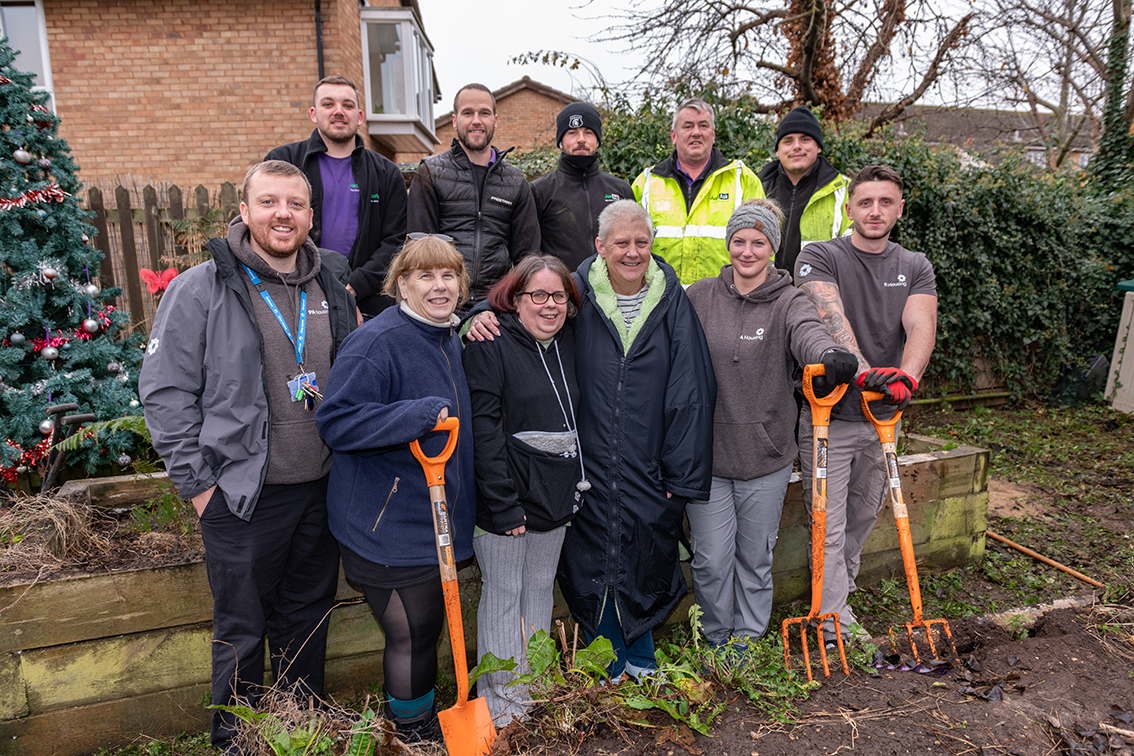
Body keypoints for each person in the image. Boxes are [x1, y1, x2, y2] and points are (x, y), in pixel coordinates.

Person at [139, 160, 357, 754]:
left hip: (319, 487)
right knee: (241, 629)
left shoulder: (330, 287)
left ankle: (297, 732)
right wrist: (198, 485)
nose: (282, 214)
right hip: (240, 494)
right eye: (269, 203)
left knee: (308, 619)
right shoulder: (201, 287)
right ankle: (237, 742)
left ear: (311, 216)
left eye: (295, 204)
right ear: (245, 211)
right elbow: (164, 391)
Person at [314, 234, 476, 741]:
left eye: (448, 274)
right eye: (425, 275)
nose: (439, 285)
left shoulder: (449, 336)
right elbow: (335, 420)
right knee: (411, 631)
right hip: (384, 523)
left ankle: (421, 719)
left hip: (432, 515)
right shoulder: (378, 341)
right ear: (401, 284)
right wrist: (416, 414)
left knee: (424, 628)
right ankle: (413, 732)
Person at [684, 199, 856, 649]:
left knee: (755, 558)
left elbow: (809, 333)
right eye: (739, 241)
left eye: (758, 242)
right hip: (709, 457)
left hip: (766, 456)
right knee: (710, 561)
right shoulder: (699, 296)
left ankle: (748, 638)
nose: (747, 250)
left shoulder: (789, 300)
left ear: (773, 249)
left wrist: (828, 355)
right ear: (728, 245)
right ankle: (716, 638)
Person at [794, 165, 938, 642]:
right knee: (828, 524)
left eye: (886, 202)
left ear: (900, 208)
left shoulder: (914, 264)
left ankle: (839, 599)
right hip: (829, 414)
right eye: (865, 202)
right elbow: (829, 315)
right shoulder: (820, 255)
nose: (874, 211)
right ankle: (831, 622)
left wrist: (906, 381)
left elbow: (920, 326)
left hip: (884, 416)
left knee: (861, 517)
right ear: (850, 207)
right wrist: (865, 373)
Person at [462, 255, 587, 723]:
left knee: (538, 587)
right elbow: (484, 430)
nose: (550, 305)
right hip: (506, 498)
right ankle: (502, 703)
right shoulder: (491, 342)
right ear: (514, 300)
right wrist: (503, 504)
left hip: (555, 493)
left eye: (559, 296)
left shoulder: (568, 341)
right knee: (504, 590)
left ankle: (533, 687)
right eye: (538, 295)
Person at [266, 74, 407, 320]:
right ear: (314, 113)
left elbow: (396, 241)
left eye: (348, 105)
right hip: (295, 295)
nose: (338, 111)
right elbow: (269, 226)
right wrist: (318, 286)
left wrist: (353, 287)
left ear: (359, 117)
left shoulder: (386, 173)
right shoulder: (283, 162)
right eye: (328, 104)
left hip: (369, 305)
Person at [407, 83, 541, 311]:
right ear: (454, 120)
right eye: (468, 113)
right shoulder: (431, 173)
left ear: (495, 121)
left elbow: (527, 258)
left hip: (496, 307)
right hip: (441, 304)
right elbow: (419, 251)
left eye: (484, 113)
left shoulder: (516, 181)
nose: (476, 120)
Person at [631, 97, 761, 284]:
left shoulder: (743, 180)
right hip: (661, 304)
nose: (696, 132)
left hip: (725, 303)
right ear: (674, 136)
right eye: (688, 126)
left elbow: (763, 247)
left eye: (703, 126)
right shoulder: (646, 183)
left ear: (713, 134)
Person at [531, 102, 634, 271]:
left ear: (598, 140)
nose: (581, 139)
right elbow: (531, 254)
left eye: (588, 132)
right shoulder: (539, 190)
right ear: (560, 142)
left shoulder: (620, 190)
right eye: (572, 133)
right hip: (562, 292)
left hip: (613, 290)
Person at [757, 106, 852, 280]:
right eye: (788, 141)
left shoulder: (845, 190)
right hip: (765, 297)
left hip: (820, 297)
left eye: (805, 139)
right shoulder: (756, 188)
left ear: (819, 146)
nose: (797, 147)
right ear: (778, 151)